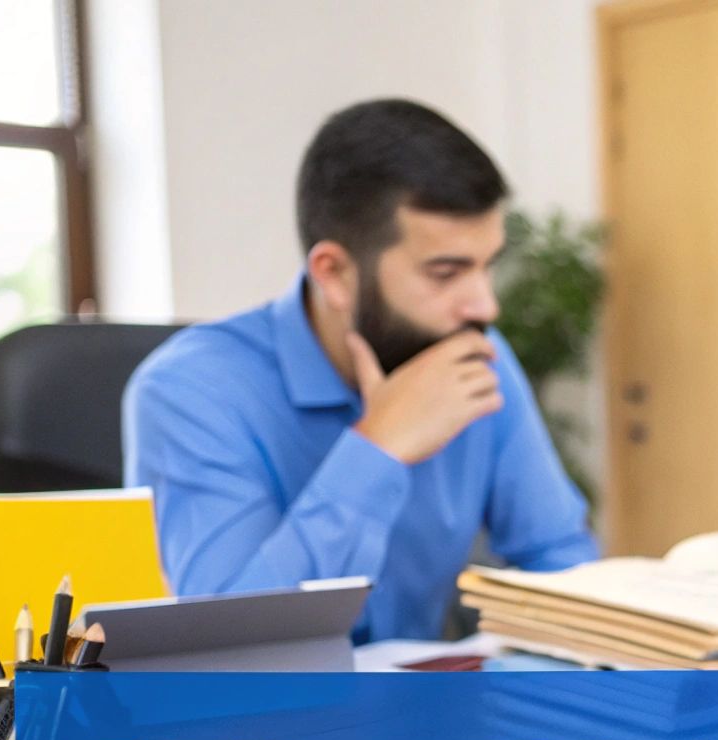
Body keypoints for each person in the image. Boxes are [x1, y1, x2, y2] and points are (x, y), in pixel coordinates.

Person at [124, 99, 598, 643]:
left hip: (423, 715)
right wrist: (378, 449)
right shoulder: (188, 392)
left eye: (486, 265)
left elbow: (558, 560)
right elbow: (225, 651)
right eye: (446, 273)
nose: (484, 306)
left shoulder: (475, 358)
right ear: (335, 273)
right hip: (266, 726)